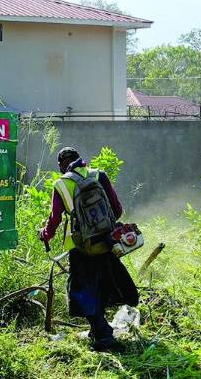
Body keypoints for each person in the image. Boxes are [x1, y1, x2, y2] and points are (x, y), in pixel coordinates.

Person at [39, 147, 139, 351]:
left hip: (80, 247)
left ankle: (103, 336)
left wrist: (45, 234)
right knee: (102, 285)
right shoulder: (98, 175)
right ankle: (97, 331)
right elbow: (117, 210)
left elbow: (55, 219)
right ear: (80, 160)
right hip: (107, 243)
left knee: (80, 292)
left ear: (61, 166)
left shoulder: (61, 184)